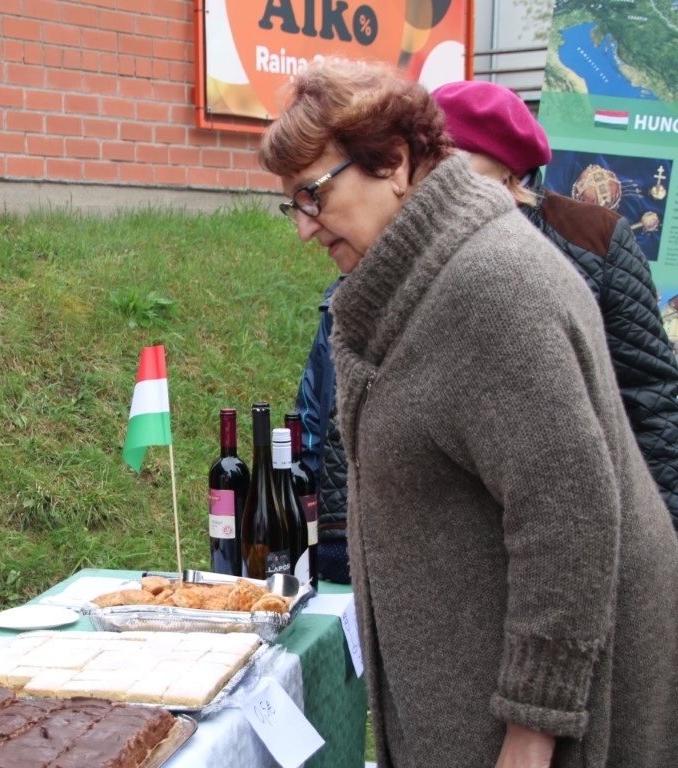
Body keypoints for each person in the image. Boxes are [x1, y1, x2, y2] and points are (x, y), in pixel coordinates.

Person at [258, 59, 678, 767]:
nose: (303, 227)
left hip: (538, 720)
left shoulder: (490, 286)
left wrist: (532, 729)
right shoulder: (421, 275)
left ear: (392, 163)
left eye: (312, 195)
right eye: (290, 203)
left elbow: (568, 514)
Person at [433, 79, 678, 534]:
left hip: (579, 518)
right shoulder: (415, 237)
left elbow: (648, 392)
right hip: (456, 528)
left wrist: (663, 530)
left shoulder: (596, 236)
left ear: (502, 164)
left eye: (447, 161)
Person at [294, 276, 350, 583]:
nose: (307, 233)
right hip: (334, 538)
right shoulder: (335, 305)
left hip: (407, 544)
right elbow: (309, 419)